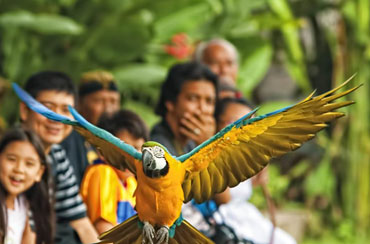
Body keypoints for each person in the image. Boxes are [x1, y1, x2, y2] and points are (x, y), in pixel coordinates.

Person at [18, 71, 99, 244]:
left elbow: (80, 222)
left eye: (65, 110)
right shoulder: (12, 157)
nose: (56, 118)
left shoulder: (56, 154)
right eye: (47, 108)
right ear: (25, 110)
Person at [210, 97, 297, 244]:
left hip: (245, 216)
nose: (243, 131)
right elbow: (223, 198)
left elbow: (252, 185)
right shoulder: (209, 157)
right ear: (216, 123)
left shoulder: (243, 158)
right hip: (224, 222)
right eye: (235, 123)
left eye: (250, 127)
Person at [80, 109, 148, 234]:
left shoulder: (131, 183)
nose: (132, 156)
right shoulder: (102, 173)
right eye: (124, 148)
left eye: (137, 148)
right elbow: (104, 229)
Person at [61, 70, 121, 185]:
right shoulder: (70, 138)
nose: (108, 108)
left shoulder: (119, 139)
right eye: (99, 101)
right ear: (79, 104)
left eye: (113, 101)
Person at [151, 61, 218, 154]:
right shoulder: (157, 147)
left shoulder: (190, 142)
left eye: (209, 101)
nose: (203, 109)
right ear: (170, 102)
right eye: (193, 99)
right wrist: (206, 148)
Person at [0, 127, 54, 244]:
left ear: (39, 172)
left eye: (29, 164)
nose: (19, 169)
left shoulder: (26, 207)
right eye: (11, 159)